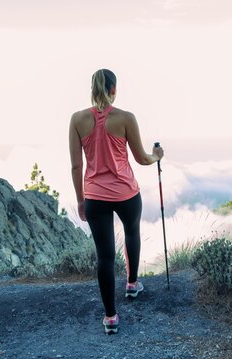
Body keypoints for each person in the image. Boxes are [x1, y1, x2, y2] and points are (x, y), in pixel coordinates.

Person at [69, 68, 164, 335]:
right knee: (132, 233)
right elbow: (142, 158)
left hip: (95, 196)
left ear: (92, 89)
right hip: (125, 193)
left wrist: (80, 200)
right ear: (114, 90)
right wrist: (157, 156)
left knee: (105, 256)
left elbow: (76, 167)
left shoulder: (77, 120)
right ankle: (132, 284)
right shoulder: (125, 118)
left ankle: (110, 317)